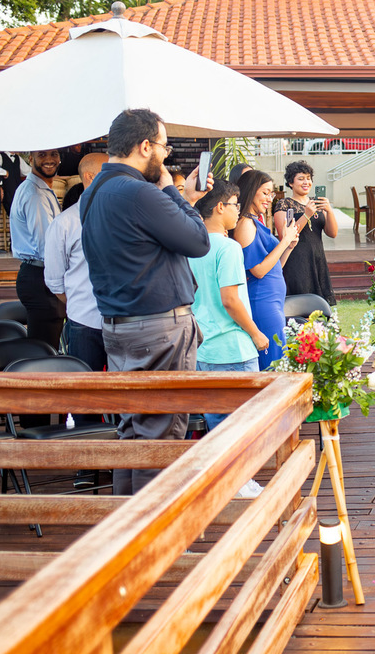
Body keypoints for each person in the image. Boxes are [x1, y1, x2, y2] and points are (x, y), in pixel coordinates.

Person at [81, 109, 212, 495]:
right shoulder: (139, 192)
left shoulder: (94, 193)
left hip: (119, 327)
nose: (165, 155)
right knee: (161, 439)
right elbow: (198, 241)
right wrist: (174, 192)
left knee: (134, 435)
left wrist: (181, 197)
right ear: (144, 146)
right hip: (158, 329)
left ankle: (126, 524)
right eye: (163, 146)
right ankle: (154, 528)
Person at [190, 182, 269, 426]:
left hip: (203, 347)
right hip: (232, 348)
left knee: (216, 426)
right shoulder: (228, 247)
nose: (239, 211)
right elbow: (230, 300)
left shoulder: (189, 247)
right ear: (220, 207)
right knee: (246, 427)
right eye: (235, 205)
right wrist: (256, 334)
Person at [44, 152, 109, 427]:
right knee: (85, 399)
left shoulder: (126, 216)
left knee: (127, 396)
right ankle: (86, 453)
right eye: (111, 172)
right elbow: (54, 280)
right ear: (90, 177)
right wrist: (78, 303)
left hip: (126, 322)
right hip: (85, 322)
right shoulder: (65, 223)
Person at [231, 170, 299, 371]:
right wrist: (284, 240)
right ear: (251, 191)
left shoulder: (256, 221)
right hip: (262, 302)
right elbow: (258, 271)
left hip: (272, 301)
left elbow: (274, 267)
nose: (270, 199)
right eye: (265, 193)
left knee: (279, 360)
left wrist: (288, 247)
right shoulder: (245, 224)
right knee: (272, 363)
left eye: (271, 194)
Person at [10, 150, 64, 352]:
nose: (49, 159)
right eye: (42, 155)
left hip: (39, 274)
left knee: (45, 348)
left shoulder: (40, 189)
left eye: (54, 154)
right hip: (41, 276)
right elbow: (47, 247)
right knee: (44, 352)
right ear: (31, 159)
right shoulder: (35, 194)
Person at [274, 161, 338, 305]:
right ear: (291, 183)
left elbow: (332, 233)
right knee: (300, 305)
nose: (306, 182)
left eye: (308, 178)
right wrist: (306, 215)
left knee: (320, 307)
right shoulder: (284, 204)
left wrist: (329, 210)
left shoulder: (316, 203)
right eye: (301, 178)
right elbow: (285, 237)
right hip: (296, 260)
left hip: (317, 259)